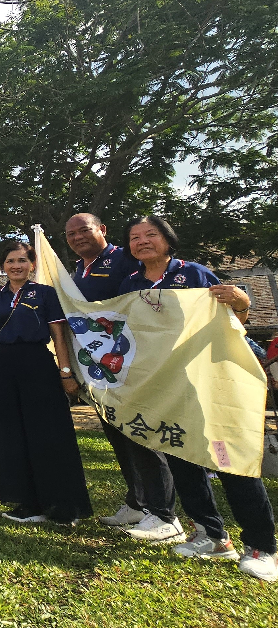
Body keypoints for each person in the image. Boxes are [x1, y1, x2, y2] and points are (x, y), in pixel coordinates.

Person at [117, 214, 276, 581]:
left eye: (150, 235)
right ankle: (212, 535)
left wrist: (241, 302)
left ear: (168, 240)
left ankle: (261, 546)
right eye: (135, 237)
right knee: (182, 457)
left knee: (229, 458)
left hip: (211, 384)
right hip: (168, 388)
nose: (142, 242)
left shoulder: (196, 274)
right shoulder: (131, 284)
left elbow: (235, 320)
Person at [0, 242, 92, 525]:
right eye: (10, 261)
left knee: (48, 432)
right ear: (3, 265)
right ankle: (28, 502)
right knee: (12, 434)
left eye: (22, 260)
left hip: (37, 363)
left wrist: (65, 372)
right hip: (4, 366)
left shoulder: (45, 293)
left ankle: (63, 505)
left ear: (32, 264)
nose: (16, 266)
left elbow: (58, 335)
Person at [64, 213, 181, 541]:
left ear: (102, 229)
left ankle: (163, 514)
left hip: (133, 362)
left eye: (84, 230)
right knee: (119, 435)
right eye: (71, 234)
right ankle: (137, 501)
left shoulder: (123, 260)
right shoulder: (78, 269)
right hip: (102, 370)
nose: (77, 237)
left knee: (143, 435)